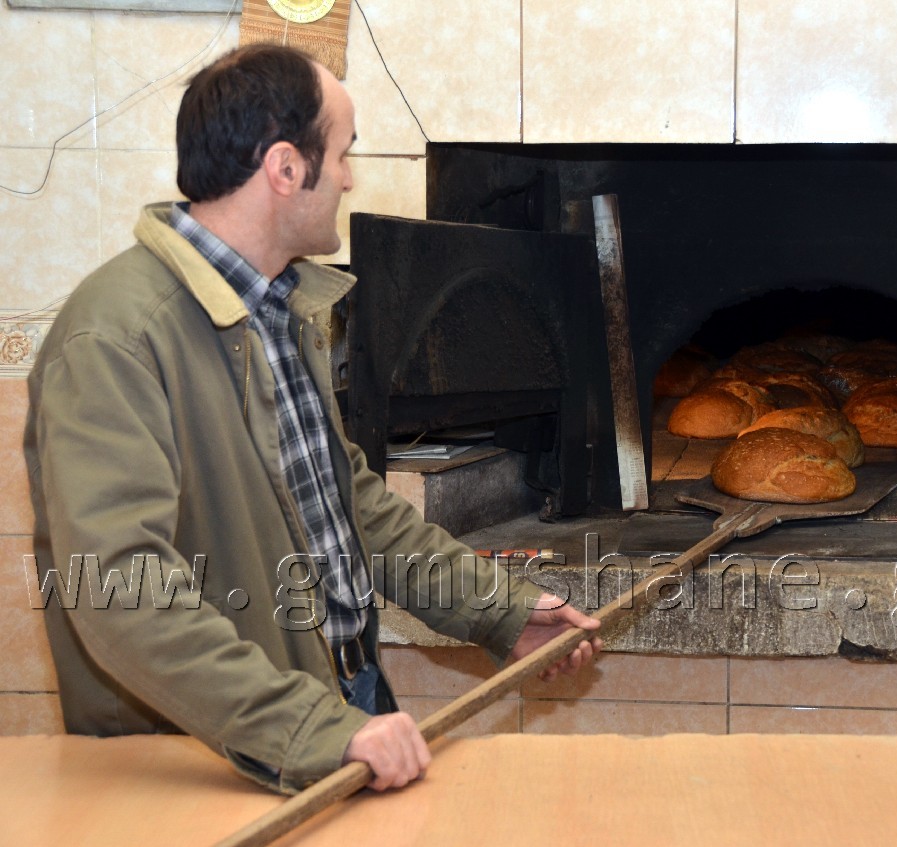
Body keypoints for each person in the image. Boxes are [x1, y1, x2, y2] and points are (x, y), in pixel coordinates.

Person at [23, 44, 601, 795]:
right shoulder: (115, 338)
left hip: (336, 709)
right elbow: (119, 592)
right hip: (207, 763)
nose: (352, 176)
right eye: (344, 151)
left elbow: (348, 507)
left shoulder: (279, 306)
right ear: (286, 168)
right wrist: (310, 729)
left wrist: (501, 611)